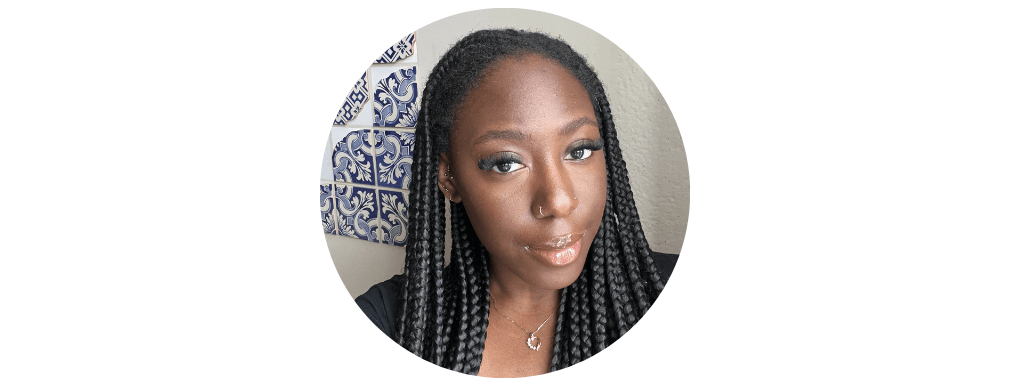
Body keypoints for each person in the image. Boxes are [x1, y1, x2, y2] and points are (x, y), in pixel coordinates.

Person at [355, 29, 677, 377]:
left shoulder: (669, 292)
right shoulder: (386, 325)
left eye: (579, 151)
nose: (559, 201)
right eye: (506, 163)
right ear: (449, 177)